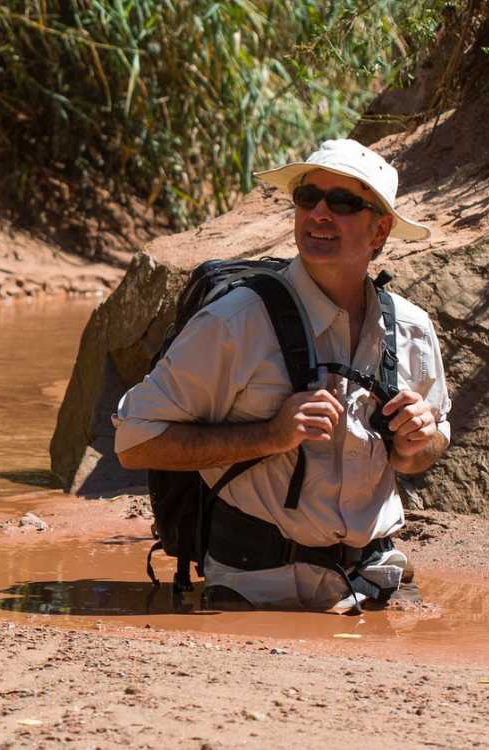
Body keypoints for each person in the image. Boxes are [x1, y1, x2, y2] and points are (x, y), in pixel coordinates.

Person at [112, 139, 451, 612]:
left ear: (380, 230)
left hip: (375, 579)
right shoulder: (236, 321)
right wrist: (270, 435)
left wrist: (420, 441)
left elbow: (421, 458)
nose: (319, 214)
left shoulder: (412, 328)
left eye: (344, 203)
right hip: (255, 586)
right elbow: (134, 442)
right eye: (308, 198)